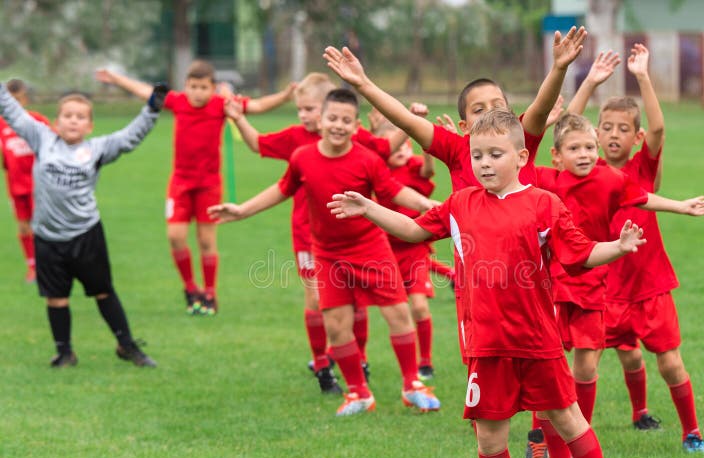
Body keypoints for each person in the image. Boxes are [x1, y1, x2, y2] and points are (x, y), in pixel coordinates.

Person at [325, 31, 584, 458]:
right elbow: (405, 119)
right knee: (486, 400)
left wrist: (560, 68)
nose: (488, 112)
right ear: (463, 126)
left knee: (551, 385)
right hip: (478, 297)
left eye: (497, 104)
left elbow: (544, 108)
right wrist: (363, 85)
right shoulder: (454, 150)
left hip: (530, 283)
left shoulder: (518, 140)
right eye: (478, 108)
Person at [209, 89, 442, 416]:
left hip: (371, 248)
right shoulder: (302, 157)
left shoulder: (367, 159)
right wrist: (242, 210)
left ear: (355, 125)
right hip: (328, 254)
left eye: (346, 121)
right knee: (335, 325)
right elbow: (281, 190)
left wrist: (425, 204)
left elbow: (393, 190)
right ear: (320, 120)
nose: (338, 125)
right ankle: (359, 393)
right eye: (332, 118)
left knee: (398, 315)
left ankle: (411, 385)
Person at [567, 43, 704, 452]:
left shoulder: (641, 168)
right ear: (595, 132)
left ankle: (691, 432)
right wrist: (590, 81)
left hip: (649, 286)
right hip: (603, 288)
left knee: (669, 362)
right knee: (597, 361)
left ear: (637, 136)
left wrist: (643, 76)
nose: (613, 135)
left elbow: (660, 130)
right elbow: (569, 125)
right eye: (606, 127)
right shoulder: (585, 166)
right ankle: (583, 437)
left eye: (623, 129)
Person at [95, 61, 294, 316]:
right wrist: (117, 79)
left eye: (203, 87)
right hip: (180, 183)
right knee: (175, 237)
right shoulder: (178, 102)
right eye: (192, 87)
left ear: (213, 88)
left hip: (209, 185)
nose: (197, 92)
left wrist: (286, 95)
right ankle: (190, 288)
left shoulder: (221, 104)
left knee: (206, 240)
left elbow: (257, 105)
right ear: (185, 87)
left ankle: (210, 293)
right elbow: (145, 91)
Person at [0, 81, 165, 367]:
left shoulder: (98, 148)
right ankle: (65, 353)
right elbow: (13, 112)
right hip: (48, 238)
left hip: (85, 235)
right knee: (56, 298)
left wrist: (152, 109)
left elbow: (130, 137)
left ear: (89, 125)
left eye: (80, 117)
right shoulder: (42, 138)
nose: (73, 121)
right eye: (67, 115)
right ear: (56, 121)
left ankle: (126, 345)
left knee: (103, 291)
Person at [372, 120, 439, 380]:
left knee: (419, 307)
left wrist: (426, 150)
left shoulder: (413, 169)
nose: (401, 150)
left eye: (406, 145)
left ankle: (426, 362)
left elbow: (427, 170)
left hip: (414, 250)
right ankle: (351, 356)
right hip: (385, 251)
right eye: (396, 146)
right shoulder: (379, 173)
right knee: (384, 309)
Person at [0, 79, 50, 282]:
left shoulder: (38, 121)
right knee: (23, 226)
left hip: (40, 184)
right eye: (11, 100)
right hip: (16, 184)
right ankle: (32, 266)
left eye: (18, 100)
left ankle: (49, 265)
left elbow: (54, 148)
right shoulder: (1, 125)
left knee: (44, 226)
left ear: (25, 99)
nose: (15, 105)